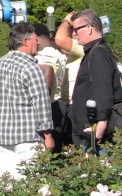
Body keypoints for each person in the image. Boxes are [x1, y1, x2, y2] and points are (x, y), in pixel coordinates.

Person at [0, 23, 54, 179]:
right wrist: (48, 134)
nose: (39, 42)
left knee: (6, 184)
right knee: (30, 183)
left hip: (1, 136)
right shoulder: (31, 68)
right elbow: (41, 103)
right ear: (26, 42)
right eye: (36, 39)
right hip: (28, 137)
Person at [70, 9, 122, 148]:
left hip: (96, 132)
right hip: (90, 129)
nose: (74, 34)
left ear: (89, 28)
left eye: (76, 29)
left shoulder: (98, 52)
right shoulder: (95, 51)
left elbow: (103, 90)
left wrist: (102, 124)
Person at [33, 23, 67, 152]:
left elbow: (43, 85)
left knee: (48, 152)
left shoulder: (44, 57)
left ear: (36, 38)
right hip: (59, 103)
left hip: (49, 106)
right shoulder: (58, 54)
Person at [54, 11, 85, 147]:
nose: (73, 34)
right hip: (67, 103)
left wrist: (67, 21)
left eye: (76, 30)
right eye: (72, 30)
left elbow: (60, 39)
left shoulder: (82, 47)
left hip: (76, 104)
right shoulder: (72, 54)